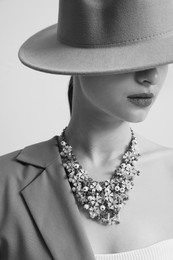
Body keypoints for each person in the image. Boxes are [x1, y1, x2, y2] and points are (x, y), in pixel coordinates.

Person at [0, 0, 173, 259]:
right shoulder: (6, 184)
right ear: (77, 62)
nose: (151, 76)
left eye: (161, 57)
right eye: (130, 56)